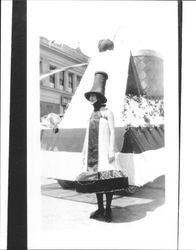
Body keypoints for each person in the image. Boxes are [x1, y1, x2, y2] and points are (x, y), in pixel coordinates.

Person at [75, 71, 128, 222]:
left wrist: (111, 150)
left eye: (94, 95)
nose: (92, 98)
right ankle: (100, 208)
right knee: (97, 181)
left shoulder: (108, 112)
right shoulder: (91, 114)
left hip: (104, 152)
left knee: (108, 181)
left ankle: (108, 209)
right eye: (90, 95)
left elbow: (112, 132)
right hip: (92, 154)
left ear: (100, 96)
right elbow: (87, 134)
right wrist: (84, 150)